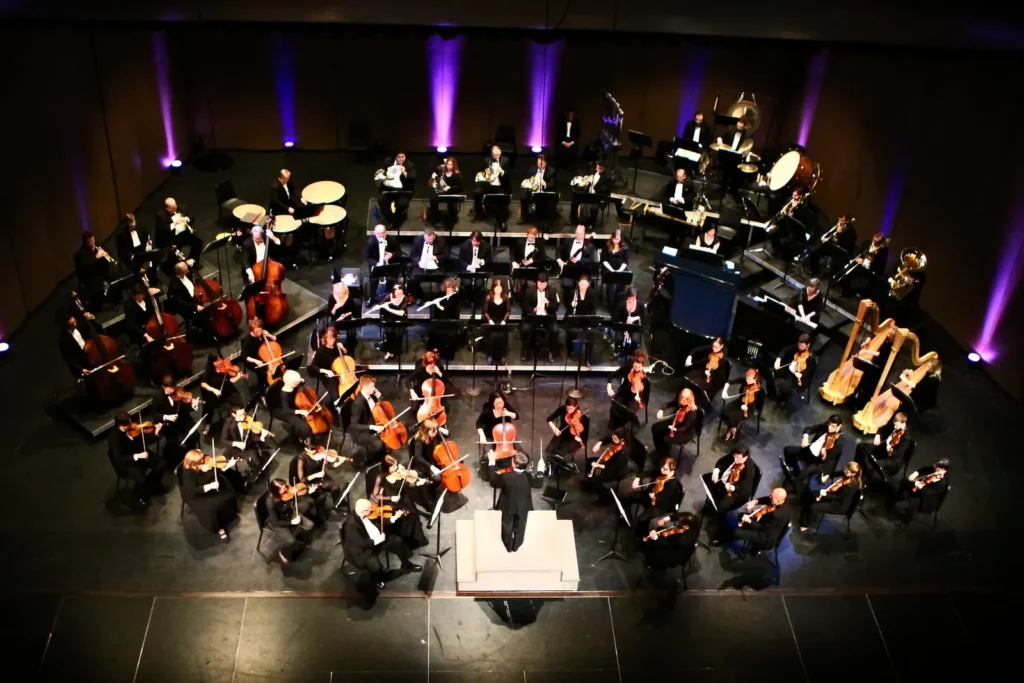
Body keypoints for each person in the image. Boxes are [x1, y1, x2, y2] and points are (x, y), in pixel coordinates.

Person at [342, 498, 422, 590]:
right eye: (370, 509)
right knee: (377, 567)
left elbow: (379, 521)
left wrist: (393, 518)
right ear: (364, 511)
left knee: (398, 541)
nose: (372, 510)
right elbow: (361, 543)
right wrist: (378, 539)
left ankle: (406, 564)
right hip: (364, 550)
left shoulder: (366, 513)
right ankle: (377, 579)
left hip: (377, 540)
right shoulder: (350, 525)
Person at [369, 455, 429, 550]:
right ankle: (407, 542)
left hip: (402, 496)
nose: (397, 467)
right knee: (404, 518)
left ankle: (418, 539)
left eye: (396, 465)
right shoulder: (381, 477)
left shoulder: (398, 472)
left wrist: (417, 483)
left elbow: (407, 484)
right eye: (393, 466)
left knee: (414, 513)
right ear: (387, 468)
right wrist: (391, 498)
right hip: (390, 501)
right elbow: (375, 495)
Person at [108, 411, 167, 506]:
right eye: (129, 424)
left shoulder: (133, 429)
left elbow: (146, 440)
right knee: (140, 476)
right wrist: (137, 456)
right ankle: (141, 495)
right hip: (127, 463)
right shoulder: (114, 438)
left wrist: (155, 433)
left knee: (161, 463)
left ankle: (153, 485)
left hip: (140, 453)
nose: (132, 425)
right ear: (122, 426)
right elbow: (118, 457)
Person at [180, 448, 239, 541]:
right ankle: (220, 529)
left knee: (228, 492)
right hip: (196, 495)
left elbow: (213, 471)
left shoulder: (201, 465)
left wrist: (225, 466)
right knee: (212, 508)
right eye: (201, 460)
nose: (204, 460)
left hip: (203, 482)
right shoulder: (188, 474)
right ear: (194, 464)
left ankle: (229, 515)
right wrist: (210, 486)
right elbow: (193, 491)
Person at [487, 450, 538, 552]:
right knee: (521, 525)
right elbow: (538, 484)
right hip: (523, 506)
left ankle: (508, 546)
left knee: (507, 524)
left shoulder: (506, 477)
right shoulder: (529, 477)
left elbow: (493, 481)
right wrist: (540, 470)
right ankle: (517, 545)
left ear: (514, 464)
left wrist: (492, 462)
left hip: (508, 505)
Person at [783, 415, 845, 490]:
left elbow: (830, 460)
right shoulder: (826, 426)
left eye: (833, 426)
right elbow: (809, 428)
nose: (829, 427)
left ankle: (795, 485)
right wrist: (805, 437)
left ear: (839, 426)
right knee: (788, 450)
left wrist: (823, 455)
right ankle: (793, 467)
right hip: (809, 450)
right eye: (829, 424)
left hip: (817, 462)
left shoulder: (839, 443)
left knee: (802, 475)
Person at [291, 442, 346, 524]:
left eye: (317, 452)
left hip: (320, 477)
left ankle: (338, 506)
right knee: (321, 496)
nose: (318, 455)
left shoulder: (321, 454)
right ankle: (321, 516)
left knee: (335, 487)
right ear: (307, 451)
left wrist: (337, 462)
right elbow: (302, 479)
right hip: (309, 481)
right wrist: (316, 475)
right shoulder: (302, 458)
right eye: (314, 453)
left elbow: (329, 466)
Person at [799, 461, 862, 531]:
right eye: (845, 470)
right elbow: (837, 473)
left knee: (814, 506)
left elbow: (837, 497)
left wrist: (823, 494)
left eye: (847, 472)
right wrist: (828, 476)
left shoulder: (851, 486)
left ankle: (807, 524)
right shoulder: (847, 474)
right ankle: (805, 518)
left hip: (838, 505)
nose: (845, 472)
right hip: (834, 497)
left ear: (853, 474)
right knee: (812, 496)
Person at [265, 478, 315, 565]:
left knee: (310, 525)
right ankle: (282, 552)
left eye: (286, 487)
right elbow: (275, 522)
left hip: (290, 514)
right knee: (290, 541)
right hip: (279, 522)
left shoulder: (288, 492)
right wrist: (292, 522)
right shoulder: (270, 503)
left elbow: (295, 496)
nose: (287, 489)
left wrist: (307, 492)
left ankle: (301, 542)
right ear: (276, 491)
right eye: (284, 489)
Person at [155, 374, 201, 464]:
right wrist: (166, 416)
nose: (172, 391)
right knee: (175, 445)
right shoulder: (157, 396)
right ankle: (181, 460)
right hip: (169, 425)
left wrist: (193, 404)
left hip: (183, 420)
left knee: (195, 435)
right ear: (163, 387)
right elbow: (155, 413)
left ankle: (189, 453)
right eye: (170, 389)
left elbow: (185, 407)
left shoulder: (179, 391)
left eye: (173, 387)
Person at [626, 457, 682, 532]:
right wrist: (637, 478)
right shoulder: (661, 472)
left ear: (672, 469)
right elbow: (647, 473)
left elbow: (663, 501)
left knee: (642, 519)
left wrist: (654, 497)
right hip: (649, 495)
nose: (662, 470)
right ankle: (627, 519)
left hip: (658, 506)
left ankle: (640, 535)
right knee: (629, 496)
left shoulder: (672, 484)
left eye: (665, 469)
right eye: (661, 467)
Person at [640, 510, 700, 578]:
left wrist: (656, 538)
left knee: (656, 550)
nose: (678, 523)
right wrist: (665, 519)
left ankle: (658, 570)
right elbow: (679, 516)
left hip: (676, 554)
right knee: (659, 532)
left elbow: (669, 543)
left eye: (680, 523)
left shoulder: (685, 539)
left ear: (685, 526)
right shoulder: (693, 520)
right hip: (676, 543)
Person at [199, 352, 247, 435]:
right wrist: (214, 390)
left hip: (226, 390)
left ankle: (240, 415)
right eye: (217, 361)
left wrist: (238, 376)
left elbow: (231, 381)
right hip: (214, 393)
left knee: (237, 398)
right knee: (208, 406)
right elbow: (203, 384)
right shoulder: (209, 372)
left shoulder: (225, 368)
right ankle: (208, 424)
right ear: (212, 363)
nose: (220, 362)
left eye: (220, 359)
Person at [855, 412, 912, 481]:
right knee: (860, 446)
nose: (894, 427)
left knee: (871, 464)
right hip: (883, 449)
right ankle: (856, 469)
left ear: (903, 423)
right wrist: (878, 435)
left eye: (896, 425)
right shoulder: (895, 426)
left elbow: (898, 454)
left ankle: (862, 480)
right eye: (894, 425)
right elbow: (882, 428)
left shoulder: (906, 438)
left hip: (892, 459)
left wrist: (890, 449)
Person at [892, 459, 950, 525]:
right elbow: (924, 469)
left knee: (898, 506)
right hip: (918, 492)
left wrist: (918, 485)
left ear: (943, 470)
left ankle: (904, 520)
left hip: (925, 501)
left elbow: (927, 492)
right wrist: (916, 473)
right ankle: (902, 498)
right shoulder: (934, 469)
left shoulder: (941, 483)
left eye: (936, 466)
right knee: (904, 482)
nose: (934, 466)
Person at [348, 375, 388, 467]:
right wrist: (373, 427)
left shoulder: (371, 395)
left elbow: (381, 406)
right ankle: (370, 460)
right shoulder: (358, 404)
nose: (374, 389)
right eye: (372, 387)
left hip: (373, 420)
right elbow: (354, 426)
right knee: (379, 444)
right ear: (365, 387)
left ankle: (381, 453)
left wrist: (379, 396)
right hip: (362, 431)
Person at [266, 369, 313, 446]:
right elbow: (285, 410)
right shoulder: (283, 394)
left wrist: (301, 380)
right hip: (280, 410)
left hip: (290, 405)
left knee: (301, 420)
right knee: (306, 428)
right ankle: (305, 441)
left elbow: (298, 381)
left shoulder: (289, 382)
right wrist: (300, 411)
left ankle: (299, 434)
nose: (298, 383)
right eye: (297, 382)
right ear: (291, 383)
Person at [606, 350, 650, 431]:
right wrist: (609, 386)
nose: (636, 370)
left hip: (635, 398)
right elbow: (612, 375)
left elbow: (646, 399)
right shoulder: (628, 368)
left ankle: (621, 430)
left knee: (626, 412)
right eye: (635, 367)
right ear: (632, 364)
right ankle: (613, 428)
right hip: (624, 393)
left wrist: (640, 399)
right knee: (615, 407)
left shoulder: (644, 380)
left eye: (639, 367)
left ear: (642, 366)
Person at [706, 447, 756, 517]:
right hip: (726, 479)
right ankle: (710, 502)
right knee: (707, 478)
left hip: (738, 492)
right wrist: (716, 472)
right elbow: (722, 461)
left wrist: (732, 487)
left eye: (738, 458)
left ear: (745, 457)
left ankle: (716, 514)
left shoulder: (749, 470)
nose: (735, 459)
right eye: (734, 456)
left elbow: (744, 487)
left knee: (721, 504)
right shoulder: (735, 455)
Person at [585, 428, 633, 501]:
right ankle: (590, 476)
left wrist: (598, 465)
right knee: (589, 461)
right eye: (613, 437)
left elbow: (612, 467)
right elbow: (608, 438)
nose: (612, 439)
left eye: (615, 438)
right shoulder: (617, 440)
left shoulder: (623, 453)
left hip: (616, 471)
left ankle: (604, 495)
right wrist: (599, 443)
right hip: (610, 461)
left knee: (596, 480)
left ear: (622, 440)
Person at [521, 272, 559, 362]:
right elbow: (524, 306)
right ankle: (525, 350)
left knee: (555, 330)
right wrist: (533, 309)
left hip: (547, 317)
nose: (541, 286)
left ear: (547, 283)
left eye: (543, 284)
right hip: (533, 317)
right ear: (536, 282)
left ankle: (550, 351)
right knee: (525, 329)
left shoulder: (553, 291)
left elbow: (556, 307)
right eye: (539, 284)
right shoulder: (529, 291)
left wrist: (548, 304)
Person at [652, 388, 699, 459]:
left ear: (688, 400)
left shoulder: (692, 412)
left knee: (665, 439)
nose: (680, 401)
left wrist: (675, 429)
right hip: (675, 422)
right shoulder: (680, 402)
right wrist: (661, 410)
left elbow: (685, 427)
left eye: (683, 400)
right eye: (680, 399)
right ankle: (659, 449)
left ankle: (665, 456)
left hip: (685, 433)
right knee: (655, 427)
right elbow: (668, 404)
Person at [221, 402, 271, 469]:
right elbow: (223, 440)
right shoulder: (228, 422)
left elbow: (252, 437)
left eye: (244, 413)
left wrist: (261, 437)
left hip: (248, 447)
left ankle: (256, 471)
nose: (244, 416)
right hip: (235, 450)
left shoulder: (248, 419)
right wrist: (235, 443)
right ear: (233, 414)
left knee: (257, 462)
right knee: (224, 466)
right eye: (240, 415)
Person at [240, 317, 279, 402]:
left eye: (260, 331)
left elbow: (275, 339)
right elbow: (243, 356)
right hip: (254, 360)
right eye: (256, 332)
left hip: (266, 356)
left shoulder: (263, 333)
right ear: (251, 331)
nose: (259, 333)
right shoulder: (248, 340)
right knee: (262, 374)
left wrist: (268, 334)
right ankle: (263, 394)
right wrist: (256, 361)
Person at [73, 231, 115, 310]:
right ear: (85, 243)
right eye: (90, 242)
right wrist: (96, 257)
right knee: (97, 284)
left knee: (112, 275)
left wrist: (106, 254)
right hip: (89, 275)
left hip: (99, 270)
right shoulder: (81, 253)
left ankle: (109, 296)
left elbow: (107, 254)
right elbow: (86, 266)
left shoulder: (98, 245)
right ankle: (99, 305)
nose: (92, 243)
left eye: (93, 240)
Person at [721, 367, 763, 442]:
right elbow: (729, 381)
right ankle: (733, 427)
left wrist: (746, 406)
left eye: (750, 379)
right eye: (747, 378)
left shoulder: (757, 388)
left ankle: (729, 431)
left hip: (749, 408)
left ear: (755, 379)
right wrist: (724, 391)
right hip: (740, 401)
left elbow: (753, 402)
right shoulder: (746, 380)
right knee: (725, 410)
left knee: (732, 417)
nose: (747, 381)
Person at [473, 145, 510, 228]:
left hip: (500, 186)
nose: (497, 156)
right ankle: (479, 214)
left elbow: (509, 176)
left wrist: (502, 172)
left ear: (500, 152)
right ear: (492, 154)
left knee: (503, 199)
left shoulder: (506, 160)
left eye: (498, 154)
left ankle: (503, 221)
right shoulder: (487, 160)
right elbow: (482, 172)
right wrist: (486, 177)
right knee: (476, 193)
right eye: (495, 155)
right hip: (489, 185)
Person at [309, 327, 347, 409]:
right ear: (325, 339)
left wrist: (343, 348)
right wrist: (325, 371)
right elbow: (312, 367)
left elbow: (346, 357)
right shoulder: (321, 351)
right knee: (335, 392)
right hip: (328, 375)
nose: (332, 341)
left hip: (340, 372)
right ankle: (339, 407)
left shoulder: (337, 348)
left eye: (333, 338)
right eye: (329, 338)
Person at [546, 397, 589, 468]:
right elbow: (549, 419)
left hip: (574, 438)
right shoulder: (563, 409)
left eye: (571, 409)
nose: (569, 411)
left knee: (561, 452)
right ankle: (551, 465)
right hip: (562, 433)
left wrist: (579, 438)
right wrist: (555, 429)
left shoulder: (582, 417)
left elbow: (585, 435)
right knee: (551, 449)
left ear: (576, 407)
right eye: (567, 408)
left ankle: (557, 466)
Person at [377, 151, 416, 228]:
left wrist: (405, 173)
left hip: (403, 190)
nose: (401, 159)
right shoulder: (388, 162)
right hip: (388, 189)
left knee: (401, 204)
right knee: (382, 201)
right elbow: (380, 173)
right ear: (395, 157)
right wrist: (385, 176)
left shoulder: (409, 165)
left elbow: (412, 179)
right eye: (399, 157)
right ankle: (392, 220)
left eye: (403, 157)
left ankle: (397, 220)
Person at [774, 333, 817, 402]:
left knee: (785, 388)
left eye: (802, 346)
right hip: (790, 369)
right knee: (774, 370)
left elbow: (809, 371)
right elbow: (785, 349)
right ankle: (777, 389)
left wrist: (801, 375)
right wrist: (778, 359)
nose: (799, 347)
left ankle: (783, 398)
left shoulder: (811, 357)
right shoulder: (798, 347)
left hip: (796, 376)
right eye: (799, 344)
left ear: (808, 345)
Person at [566, 273, 597, 367]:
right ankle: (570, 351)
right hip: (575, 317)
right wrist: (571, 305)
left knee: (591, 334)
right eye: (581, 284)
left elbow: (594, 310)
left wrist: (590, 324)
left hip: (587, 318)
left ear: (588, 284)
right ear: (578, 283)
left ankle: (588, 358)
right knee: (570, 330)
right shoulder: (573, 292)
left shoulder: (592, 293)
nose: (583, 286)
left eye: (585, 284)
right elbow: (567, 306)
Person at [410, 227, 449, 300]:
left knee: (445, 279)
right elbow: (413, 254)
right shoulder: (417, 240)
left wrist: (436, 257)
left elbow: (446, 254)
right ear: (424, 236)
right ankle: (420, 297)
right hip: (421, 266)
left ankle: (440, 298)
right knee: (412, 280)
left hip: (436, 267)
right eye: (427, 239)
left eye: (431, 239)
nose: (429, 241)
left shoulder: (441, 241)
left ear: (434, 236)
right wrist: (418, 262)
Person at [557, 224, 596, 296]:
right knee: (566, 283)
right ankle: (568, 301)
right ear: (575, 233)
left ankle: (581, 301)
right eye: (578, 234)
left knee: (583, 284)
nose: (579, 236)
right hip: (569, 268)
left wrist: (578, 259)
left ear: (584, 234)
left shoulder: (589, 245)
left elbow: (591, 260)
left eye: (581, 234)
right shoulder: (568, 241)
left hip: (582, 269)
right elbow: (558, 251)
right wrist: (560, 261)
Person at [518, 153, 557, 224]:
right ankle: (525, 216)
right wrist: (531, 182)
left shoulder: (552, 171)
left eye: (542, 164)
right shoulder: (532, 168)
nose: (540, 165)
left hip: (544, 193)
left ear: (546, 163)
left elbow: (552, 184)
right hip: (533, 192)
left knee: (551, 201)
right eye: (538, 163)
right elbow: (527, 179)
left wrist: (544, 183)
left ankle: (549, 222)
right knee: (523, 197)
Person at [366, 224, 401, 301]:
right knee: (374, 280)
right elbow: (368, 258)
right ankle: (372, 297)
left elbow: (399, 253)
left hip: (389, 265)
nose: (381, 235)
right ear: (375, 233)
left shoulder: (392, 240)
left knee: (390, 279)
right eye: (378, 234)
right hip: (377, 265)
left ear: (386, 232)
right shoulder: (371, 242)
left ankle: (387, 297)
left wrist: (392, 255)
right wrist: (376, 264)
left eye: (383, 233)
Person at [570, 160, 612, 224]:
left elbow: (605, 190)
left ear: (604, 168)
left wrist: (594, 186)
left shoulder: (607, 177)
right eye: (597, 168)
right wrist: (586, 182)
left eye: (601, 168)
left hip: (598, 196)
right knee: (575, 200)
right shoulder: (594, 173)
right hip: (589, 194)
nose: (598, 169)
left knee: (594, 206)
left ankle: (591, 223)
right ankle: (573, 219)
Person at [428, 156, 464, 225]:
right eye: (447, 164)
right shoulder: (442, 171)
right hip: (442, 190)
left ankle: (452, 219)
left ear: (454, 165)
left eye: (450, 165)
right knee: (433, 198)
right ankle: (435, 216)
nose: (448, 166)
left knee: (451, 204)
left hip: (452, 192)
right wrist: (433, 178)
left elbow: (460, 187)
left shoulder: (457, 174)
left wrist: (450, 187)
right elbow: (435, 177)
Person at [377, 283, 408, 362]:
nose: (399, 295)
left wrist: (388, 308)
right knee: (389, 332)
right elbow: (380, 306)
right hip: (389, 319)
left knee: (399, 333)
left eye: (401, 293)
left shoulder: (405, 299)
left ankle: (389, 352)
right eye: (397, 294)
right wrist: (382, 306)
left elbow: (401, 313)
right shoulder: (388, 297)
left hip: (401, 319)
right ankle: (393, 350)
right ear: (394, 293)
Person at [325, 281, 359, 352]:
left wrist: (346, 315)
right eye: (338, 292)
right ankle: (333, 346)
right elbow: (329, 314)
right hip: (335, 318)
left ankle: (350, 348)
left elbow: (353, 311)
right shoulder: (331, 298)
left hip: (346, 318)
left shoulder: (348, 297)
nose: (340, 295)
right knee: (330, 332)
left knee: (351, 332)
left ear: (345, 292)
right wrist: (335, 307)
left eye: (341, 292)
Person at [612, 286, 646, 355]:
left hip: (634, 326)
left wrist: (635, 318)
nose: (633, 300)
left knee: (635, 341)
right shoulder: (622, 304)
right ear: (627, 296)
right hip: (622, 325)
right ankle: (619, 350)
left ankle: (630, 352)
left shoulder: (640, 304)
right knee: (618, 339)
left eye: (634, 298)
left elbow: (645, 316)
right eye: (631, 298)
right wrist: (621, 323)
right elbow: (615, 316)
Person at [601, 229, 630, 309]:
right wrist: (612, 270)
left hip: (621, 268)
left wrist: (620, 270)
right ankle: (611, 305)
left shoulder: (624, 247)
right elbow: (604, 260)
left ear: (621, 238)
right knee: (610, 285)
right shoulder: (607, 245)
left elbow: (626, 261)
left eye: (617, 239)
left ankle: (618, 303)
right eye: (614, 238)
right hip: (608, 268)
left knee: (622, 283)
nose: (615, 240)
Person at [484, 278, 510, 365]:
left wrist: (504, 321)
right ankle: (490, 356)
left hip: (502, 321)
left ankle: (503, 356)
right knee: (491, 336)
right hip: (491, 321)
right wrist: (490, 320)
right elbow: (485, 312)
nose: (498, 290)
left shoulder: (506, 297)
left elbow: (508, 311)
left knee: (503, 335)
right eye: (496, 289)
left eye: (500, 288)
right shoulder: (488, 298)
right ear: (493, 289)